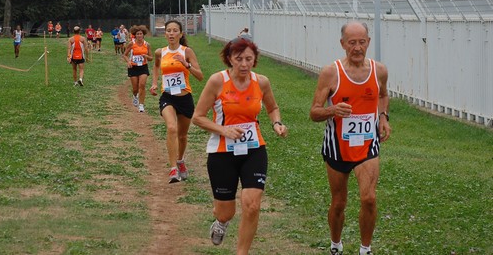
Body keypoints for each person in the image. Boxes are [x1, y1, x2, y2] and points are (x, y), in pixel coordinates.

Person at [192, 37, 288, 253]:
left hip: (254, 149)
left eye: (249, 59)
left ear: (255, 60)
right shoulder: (218, 81)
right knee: (226, 211)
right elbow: (198, 117)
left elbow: (273, 108)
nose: (244, 64)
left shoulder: (261, 82)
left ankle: (241, 252)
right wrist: (223, 130)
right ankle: (221, 222)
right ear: (229, 59)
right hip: (222, 153)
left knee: (252, 204)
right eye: (239, 59)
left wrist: (277, 123)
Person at [309, 21, 391, 255]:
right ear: (343, 44)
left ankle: (365, 249)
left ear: (368, 43)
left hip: (367, 145)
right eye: (352, 42)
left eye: (362, 42)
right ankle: (336, 245)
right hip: (338, 147)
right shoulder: (331, 73)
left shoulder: (379, 71)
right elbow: (314, 112)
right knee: (339, 203)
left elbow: (383, 95)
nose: (357, 47)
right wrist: (331, 110)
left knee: (369, 198)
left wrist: (383, 117)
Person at [149, 20, 203, 183]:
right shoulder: (160, 52)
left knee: (182, 135)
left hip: (185, 98)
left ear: (181, 34)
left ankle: (180, 161)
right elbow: (157, 66)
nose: (171, 34)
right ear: (165, 34)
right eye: (168, 31)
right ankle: (173, 169)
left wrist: (185, 64)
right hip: (168, 97)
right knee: (171, 128)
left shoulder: (187, 52)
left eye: (174, 31)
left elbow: (200, 76)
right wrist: (154, 83)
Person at [122, 25, 153, 112]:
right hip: (133, 67)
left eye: (141, 34)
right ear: (135, 35)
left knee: (142, 85)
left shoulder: (147, 45)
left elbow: (151, 58)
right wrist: (128, 61)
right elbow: (124, 55)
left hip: (143, 67)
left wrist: (146, 56)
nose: (139, 35)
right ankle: (135, 96)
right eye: (137, 34)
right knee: (135, 88)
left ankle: (141, 105)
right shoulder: (131, 44)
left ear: (143, 35)